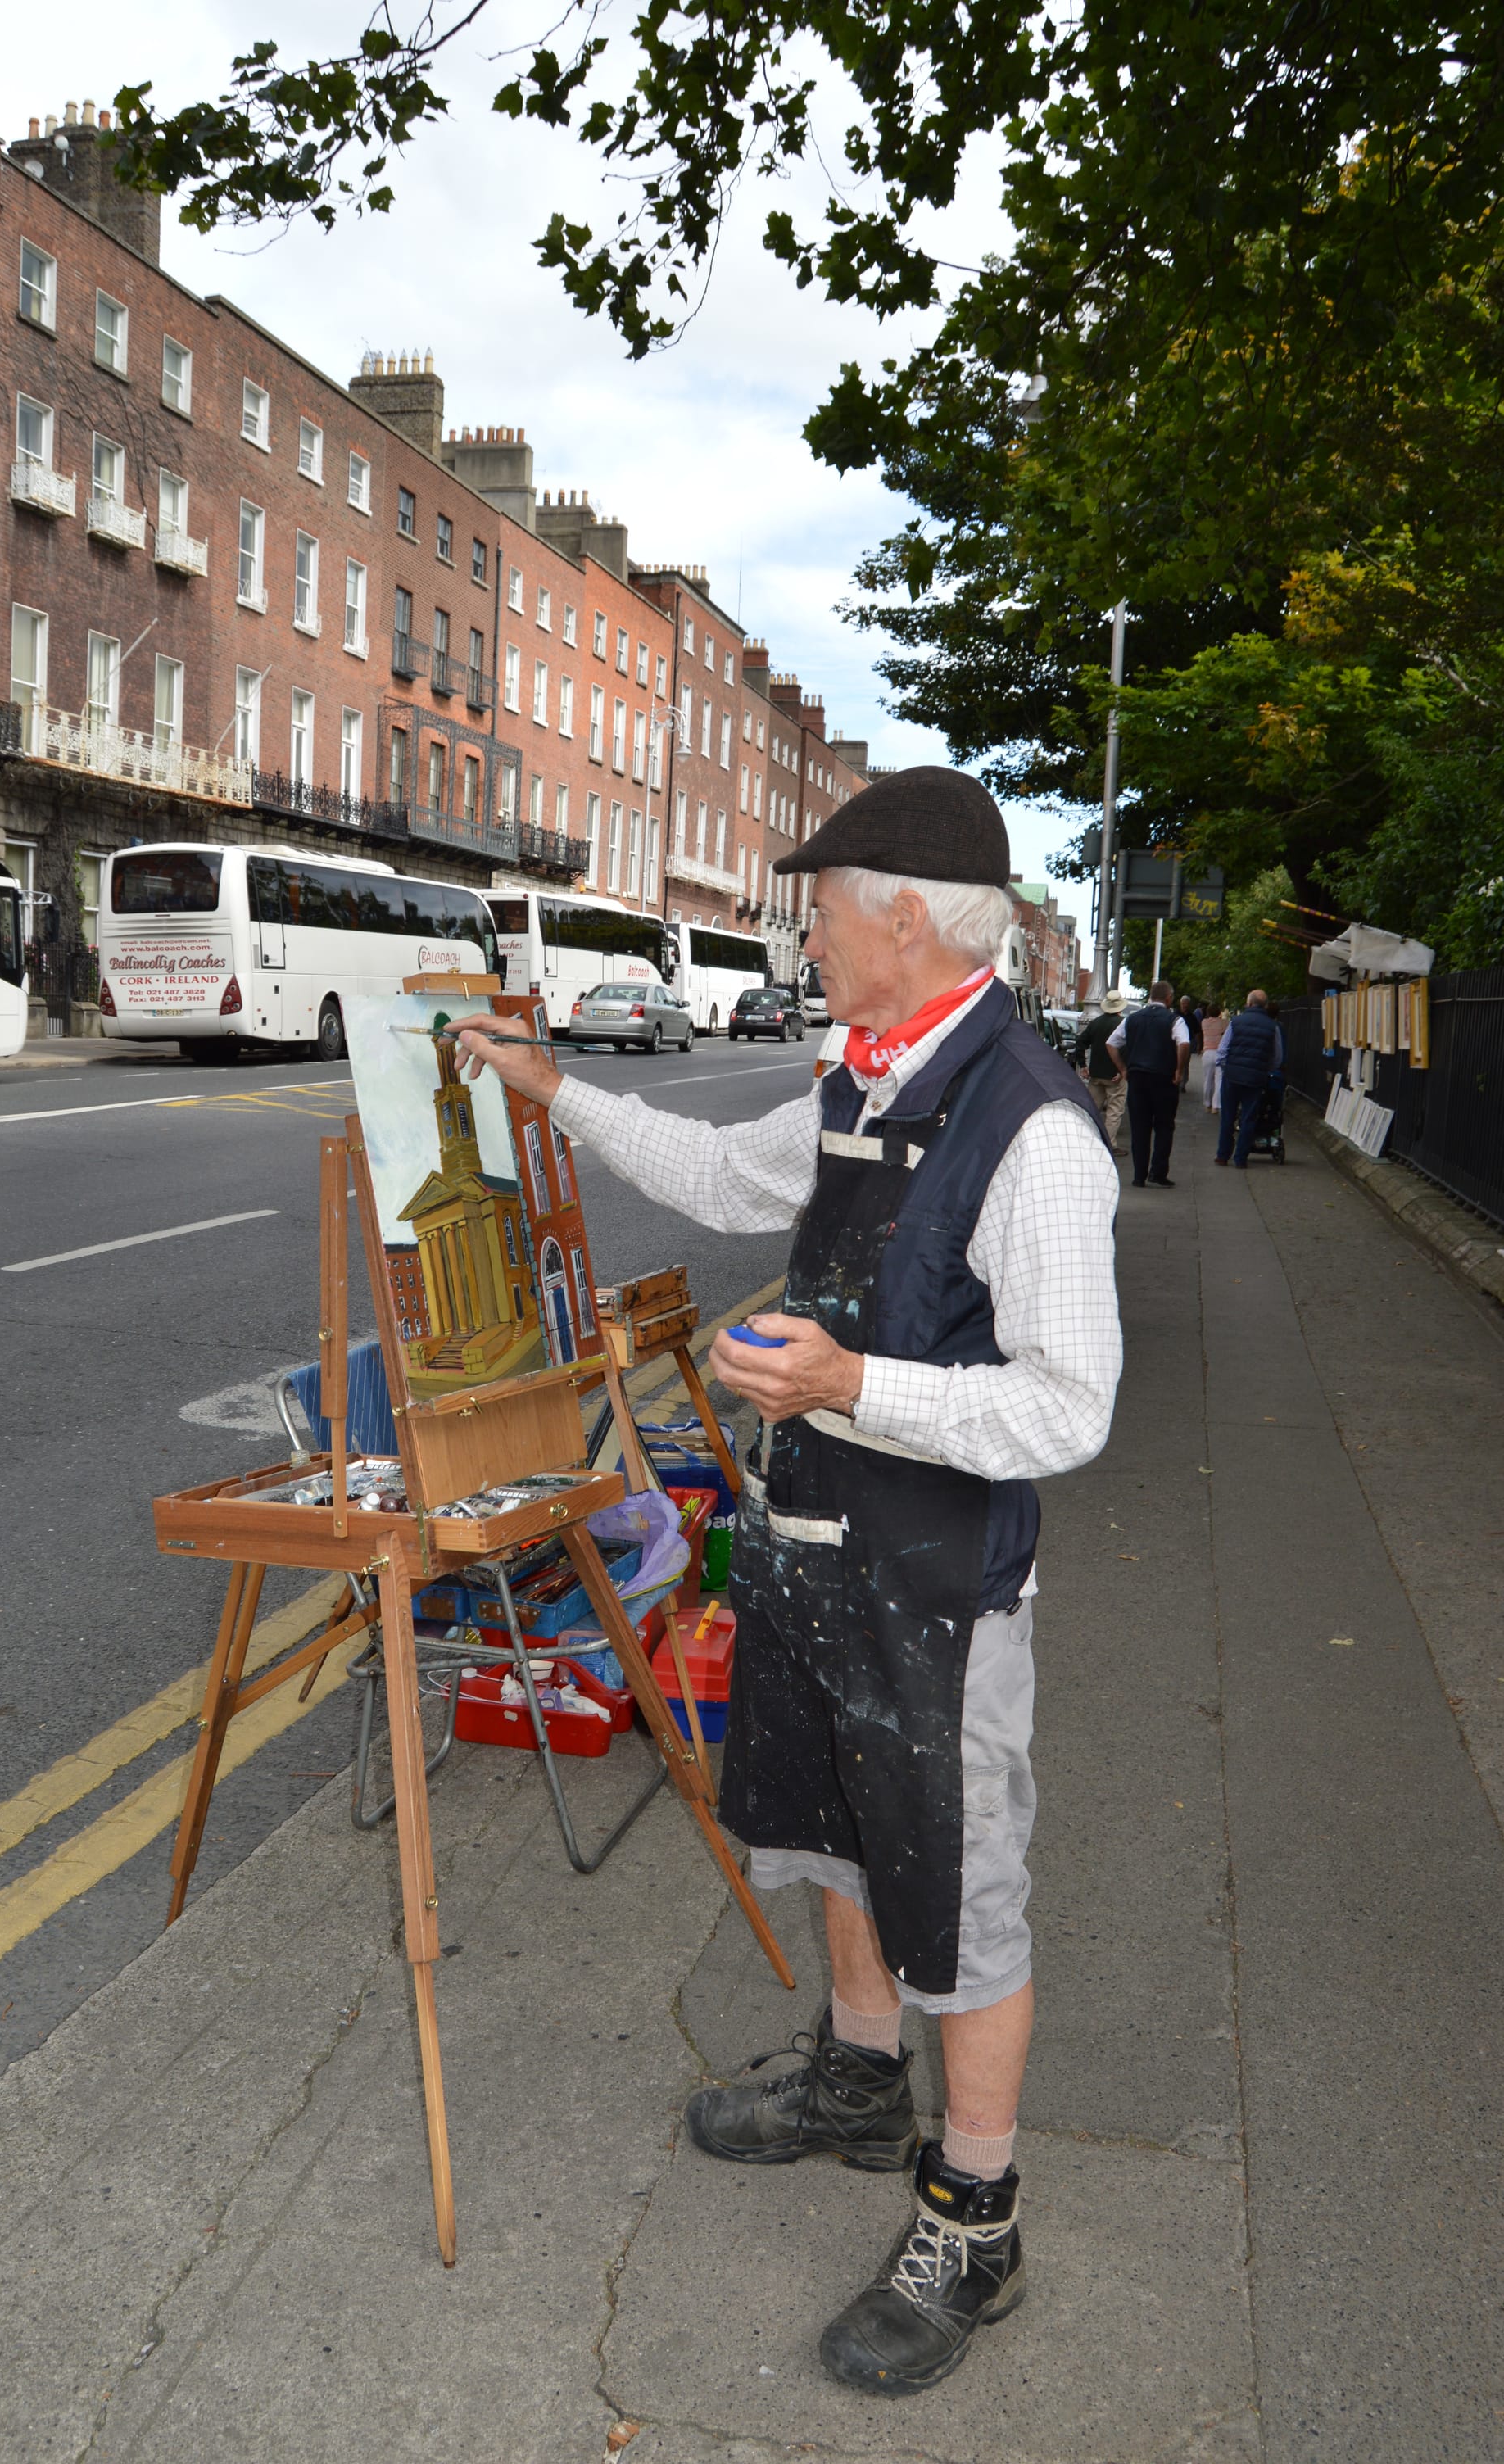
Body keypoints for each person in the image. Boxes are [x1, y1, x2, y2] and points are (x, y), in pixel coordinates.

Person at [449, 768, 1121, 2398]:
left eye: (820, 910)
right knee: (833, 1829)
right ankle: (858, 2080)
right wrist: (551, 1089)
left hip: (942, 1596)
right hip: (817, 1554)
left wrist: (845, 1385)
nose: (804, 936)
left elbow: (1069, 1406)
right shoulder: (859, 1074)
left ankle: (975, 2216)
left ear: (906, 918)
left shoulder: (1032, 1127)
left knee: (958, 1892)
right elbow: (726, 1180)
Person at [1104, 979, 1189, 1187]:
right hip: (1164, 1078)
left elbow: (1111, 1043)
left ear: (1151, 997)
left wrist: (1123, 1069)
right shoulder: (1175, 1020)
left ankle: (1139, 1175)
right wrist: (1179, 1070)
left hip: (1137, 1078)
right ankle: (1158, 1172)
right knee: (1164, 1126)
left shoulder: (1132, 1019)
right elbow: (1184, 1043)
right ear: (1169, 998)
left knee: (1140, 1127)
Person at [1214, 989, 1284, 1167]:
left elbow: (1222, 1051)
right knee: (1248, 1118)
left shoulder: (1236, 1022)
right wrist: (1264, 1069)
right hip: (1255, 1079)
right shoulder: (1273, 1027)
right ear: (1265, 1006)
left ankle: (1223, 1155)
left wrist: (1227, 1068)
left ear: (1249, 1003)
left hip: (1232, 1076)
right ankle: (1241, 1158)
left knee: (1228, 1117)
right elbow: (1277, 1057)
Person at [1073, 989, 1130, 1153]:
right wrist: (1122, 1070)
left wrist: (1083, 1064)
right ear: (1120, 1007)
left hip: (1096, 1074)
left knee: (1092, 1110)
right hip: (1115, 1075)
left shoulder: (1096, 1023)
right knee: (1114, 1111)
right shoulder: (1123, 1024)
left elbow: (1080, 1043)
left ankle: (1085, 1140)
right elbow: (1127, 1048)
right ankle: (1110, 1144)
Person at [1198, 1003, 1227, 1112]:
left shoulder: (1204, 1022)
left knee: (1208, 1080)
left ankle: (1207, 1103)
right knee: (1219, 1080)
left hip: (1207, 1053)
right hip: (1220, 1053)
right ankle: (1216, 1106)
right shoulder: (1224, 1023)